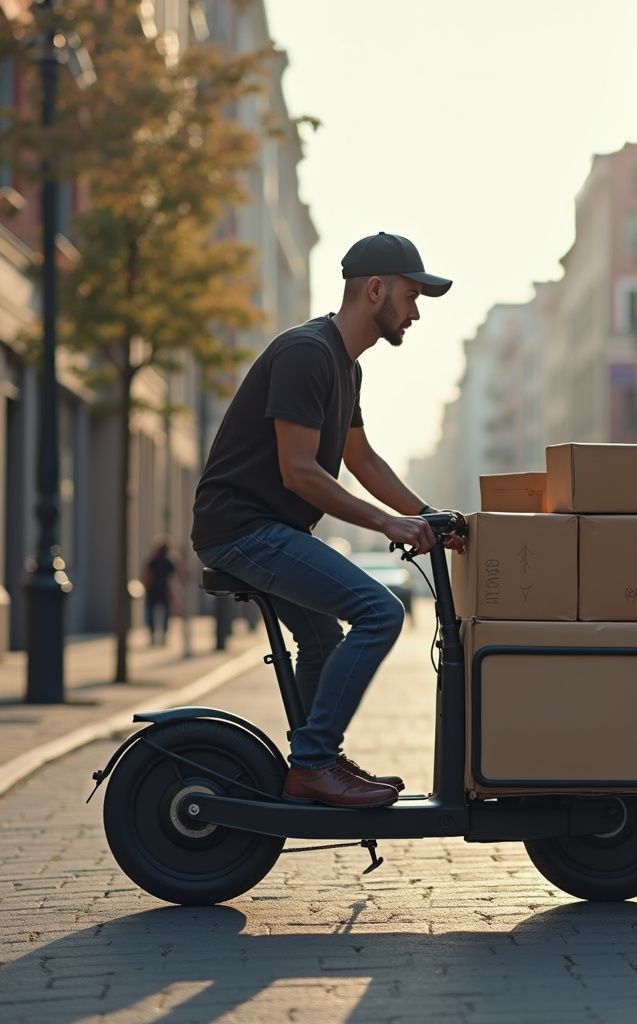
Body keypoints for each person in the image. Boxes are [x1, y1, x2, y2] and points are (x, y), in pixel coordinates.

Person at [191, 232, 465, 809]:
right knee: (380, 612)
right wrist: (387, 524)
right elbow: (299, 472)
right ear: (375, 290)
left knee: (321, 636)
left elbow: (360, 458)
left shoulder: (344, 366)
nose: (415, 313)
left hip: (268, 529)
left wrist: (424, 515)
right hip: (243, 528)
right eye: (411, 297)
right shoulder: (307, 354)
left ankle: (315, 762)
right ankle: (314, 763)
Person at [142, 536, 182, 645]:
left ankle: (153, 635)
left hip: (154, 590)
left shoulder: (153, 560)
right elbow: (175, 577)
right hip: (164, 590)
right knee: (165, 614)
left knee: (151, 614)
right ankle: (163, 635)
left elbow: (147, 575)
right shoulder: (168, 561)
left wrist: (146, 586)